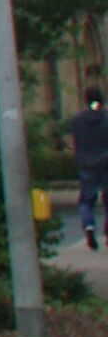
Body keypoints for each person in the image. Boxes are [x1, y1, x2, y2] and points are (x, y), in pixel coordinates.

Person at [69, 86, 108, 251]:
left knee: (86, 201)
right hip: (106, 163)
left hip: (86, 164)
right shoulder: (106, 117)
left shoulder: (78, 120)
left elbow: (75, 141)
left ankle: (89, 226)